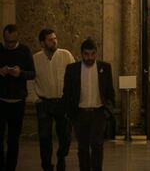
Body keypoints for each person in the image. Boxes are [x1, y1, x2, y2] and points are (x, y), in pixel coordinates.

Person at [62, 38, 114, 171]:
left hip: (98, 113)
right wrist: (70, 113)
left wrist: (107, 110)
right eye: (86, 54)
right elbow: (67, 92)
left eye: (92, 54)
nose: (89, 57)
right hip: (80, 113)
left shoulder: (105, 68)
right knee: (83, 147)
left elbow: (110, 92)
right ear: (81, 54)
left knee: (97, 145)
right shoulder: (72, 69)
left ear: (96, 53)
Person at [33, 29, 75, 171]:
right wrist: (35, 98)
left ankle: (61, 156)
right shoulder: (36, 59)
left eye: (55, 38)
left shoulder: (66, 55)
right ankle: (46, 165)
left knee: (65, 136)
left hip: (62, 102)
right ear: (42, 43)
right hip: (44, 102)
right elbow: (30, 80)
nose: (54, 41)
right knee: (44, 137)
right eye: (50, 39)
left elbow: (74, 76)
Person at [0, 24, 36, 171]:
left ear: (17, 38)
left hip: (18, 102)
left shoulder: (24, 50)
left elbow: (32, 73)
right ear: (3, 38)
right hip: (0, 100)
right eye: (7, 42)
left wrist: (20, 73)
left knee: (13, 139)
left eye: (13, 42)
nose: (10, 45)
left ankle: (10, 167)